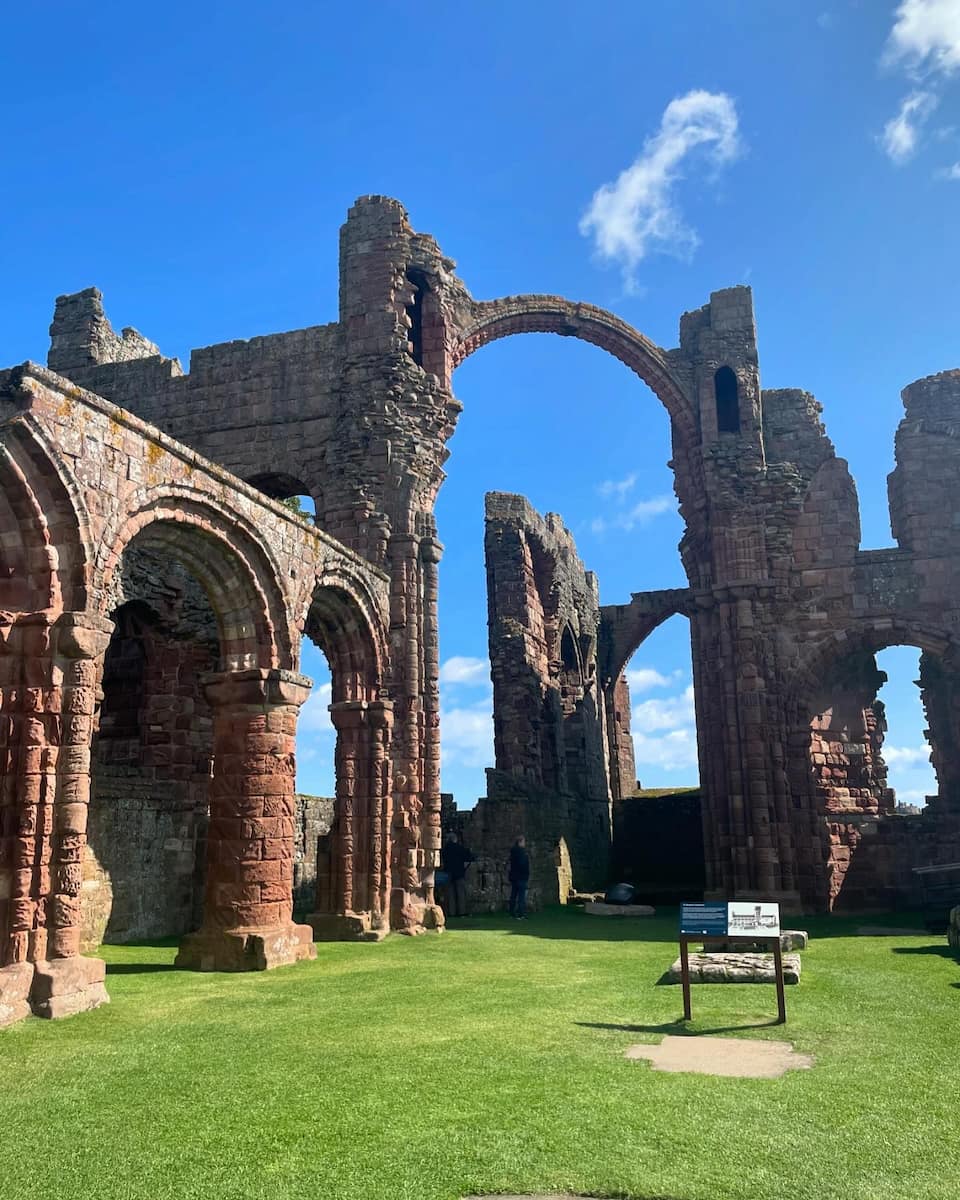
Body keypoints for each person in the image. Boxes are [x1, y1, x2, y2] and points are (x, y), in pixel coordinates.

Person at [440, 831, 474, 917]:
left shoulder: (445, 849)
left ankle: (452, 912)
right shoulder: (459, 848)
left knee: (450, 894)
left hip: (448, 872)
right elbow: (469, 857)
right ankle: (461, 911)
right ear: (455, 839)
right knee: (461, 893)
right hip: (459, 872)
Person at [508, 835, 530, 919]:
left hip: (514, 876)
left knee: (513, 895)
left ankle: (512, 912)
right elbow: (523, 865)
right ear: (520, 842)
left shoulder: (513, 851)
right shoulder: (521, 852)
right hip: (521, 877)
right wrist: (526, 874)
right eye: (523, 842)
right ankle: (521, 913)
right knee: (521, 896)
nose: (524, 844)